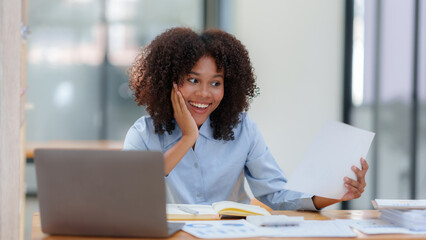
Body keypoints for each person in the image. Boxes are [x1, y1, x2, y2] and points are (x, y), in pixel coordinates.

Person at [123, 27, 368, 210]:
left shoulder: (243, 129)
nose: (205, 93)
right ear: (170, 82)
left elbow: (275, 195)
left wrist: (335, 193)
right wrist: (188, 137)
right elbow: (128, 193)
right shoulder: (143, 134)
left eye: (216, 83)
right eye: (193, 80)